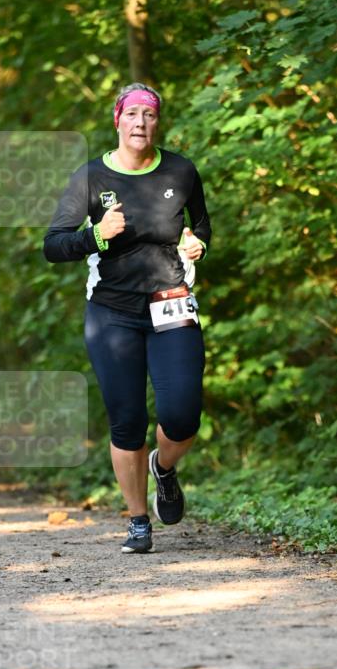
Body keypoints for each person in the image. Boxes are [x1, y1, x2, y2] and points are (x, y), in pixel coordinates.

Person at [43, 82, 211, 554]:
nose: (141, 123)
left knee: (182, 414)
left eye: (150, 115)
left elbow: (200, 226)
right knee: (127, 420)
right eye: (133, 114)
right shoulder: (90, 178)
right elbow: (53, 245)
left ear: (158, 122)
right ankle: (139, 520)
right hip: (112, 313)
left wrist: (198, 244)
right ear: (117, 120)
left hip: (171, 303)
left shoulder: (181, 170)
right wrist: (95, 235)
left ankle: (165, 466)